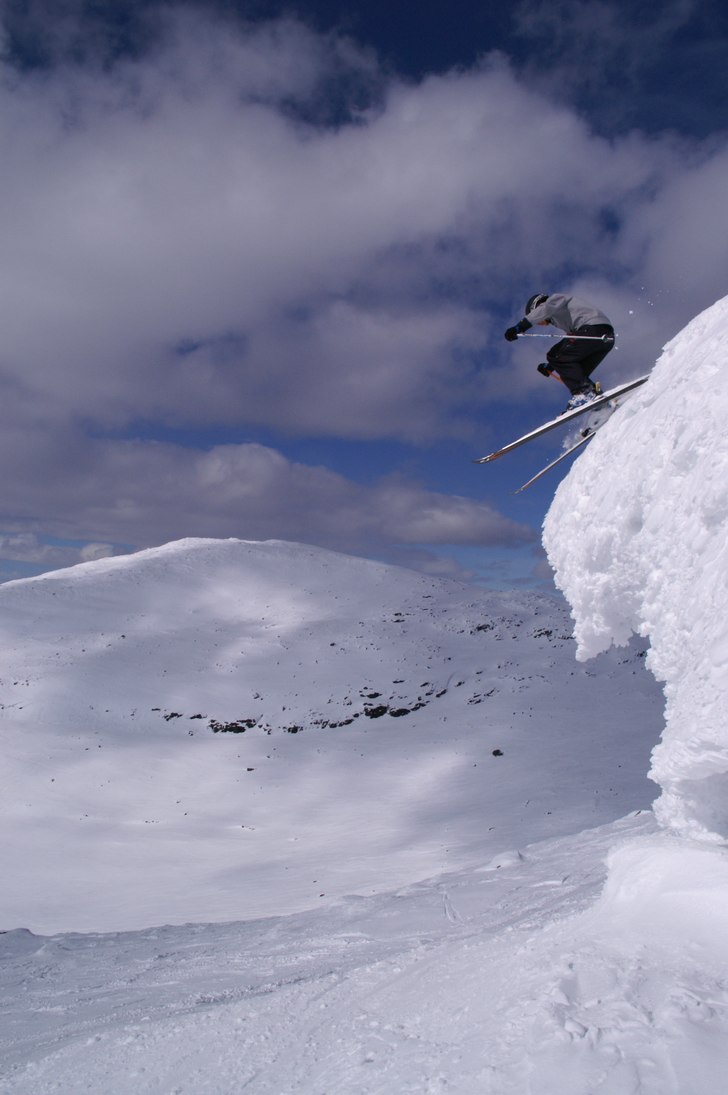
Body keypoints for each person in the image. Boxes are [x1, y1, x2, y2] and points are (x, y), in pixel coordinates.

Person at [504, 293, 615, 410]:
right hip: (604, 338)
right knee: (575, 371)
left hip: (593, 329)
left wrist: (519, 327)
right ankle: (600, 406)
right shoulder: (561, 317)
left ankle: (585, 393)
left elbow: (545, 309)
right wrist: (552, 366)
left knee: (555, 354)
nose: (540, 324)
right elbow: (570, 352)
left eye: (537, 320)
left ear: (537, 307)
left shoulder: (554, 300)